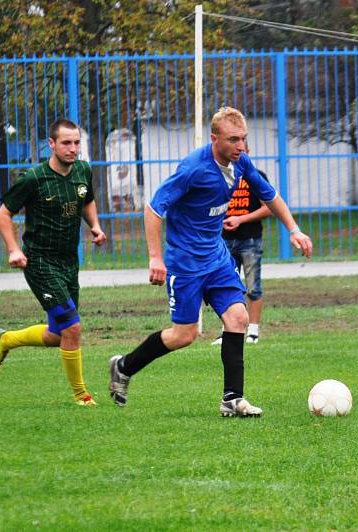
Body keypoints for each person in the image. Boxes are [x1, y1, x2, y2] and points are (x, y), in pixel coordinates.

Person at [108, 107, 313, 417]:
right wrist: (155, 257)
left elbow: (270, 195)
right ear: (215, 138)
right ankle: (124, 367)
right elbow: (153, 210)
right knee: (184, 335)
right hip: (185, 263)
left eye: (243, 139)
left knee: (238, 319)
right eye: (233, 140)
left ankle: (232, 399)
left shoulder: (241, 162)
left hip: (216, 259)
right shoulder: (193, 169)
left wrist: (294, 230)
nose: (241, 146)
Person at [0, 118, 107, 407]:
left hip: (69, 262)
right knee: (74, 328)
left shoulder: (82, 170)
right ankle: (81, 395)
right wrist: (14, 249)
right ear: (51, 144)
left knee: (58, 334)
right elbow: (4, 214)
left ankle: (5, 340)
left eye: (77, 142)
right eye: (66, 143)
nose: (73, 148)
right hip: (39, 261)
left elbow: (86, 199)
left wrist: (94, 226)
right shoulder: (33, 178)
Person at [211, 144, 271, 345]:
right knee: (228, 287)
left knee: (253, 286)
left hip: (250, 239)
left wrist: (240, 219)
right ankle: (227, 330)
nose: (239, 153)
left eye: (243, 149)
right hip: (224, 241)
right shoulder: (221, 176)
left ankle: (253, 331)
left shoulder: (256, 176)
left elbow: (268, 208)